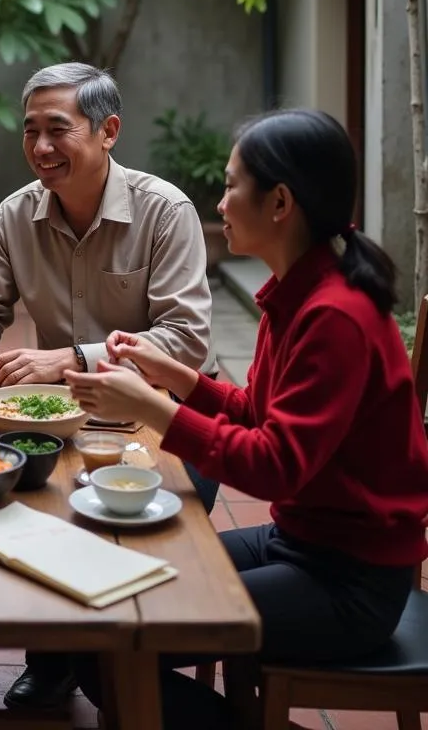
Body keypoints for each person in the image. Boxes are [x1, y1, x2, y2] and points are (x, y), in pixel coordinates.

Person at [66, 108, 428, 729]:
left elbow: (275, 465)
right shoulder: (296, 295)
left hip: (351, 582)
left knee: (109, 652)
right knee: (110, 607)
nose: (222, 200)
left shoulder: (333, 316)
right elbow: (260, 413)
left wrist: (149, 406)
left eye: (233, 185)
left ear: (280, 202)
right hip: (301, 542)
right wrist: (173, 375)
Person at [0, 62, 218, 711]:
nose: (41, 148)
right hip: (49, 417)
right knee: (19, 501)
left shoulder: (164, 211)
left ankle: (110, 653)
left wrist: (70, 359)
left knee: (115, 524)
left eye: (58, 130)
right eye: (30, 131)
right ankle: (58, 656)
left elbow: (185, 339)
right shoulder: (17, 213)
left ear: (108, 131)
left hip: (164, 425)